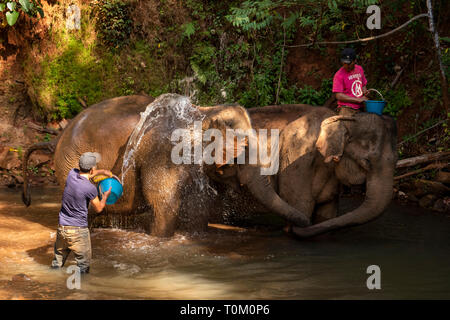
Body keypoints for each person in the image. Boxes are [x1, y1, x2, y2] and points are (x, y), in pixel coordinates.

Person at [51, 152, 113, 274]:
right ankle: (81, 291)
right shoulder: (90, 189)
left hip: (62, 229)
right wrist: (105, 196)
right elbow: (99, 208)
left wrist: (102, 171)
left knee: (57, 264)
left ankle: (52, 285)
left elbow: (88, 174)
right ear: (91, 169)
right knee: (83, 267)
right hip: (78, 232)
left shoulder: (71, 174)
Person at [332, 48, 369, 116]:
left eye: (349, 64)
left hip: (361, 106)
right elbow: (339, 96)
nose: (346, 66)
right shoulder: (339, 75)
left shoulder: (359, 69)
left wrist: (365, 91)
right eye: (344, 63)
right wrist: (357, 100)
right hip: (346, 108)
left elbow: (363, 85)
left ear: (355, 61)